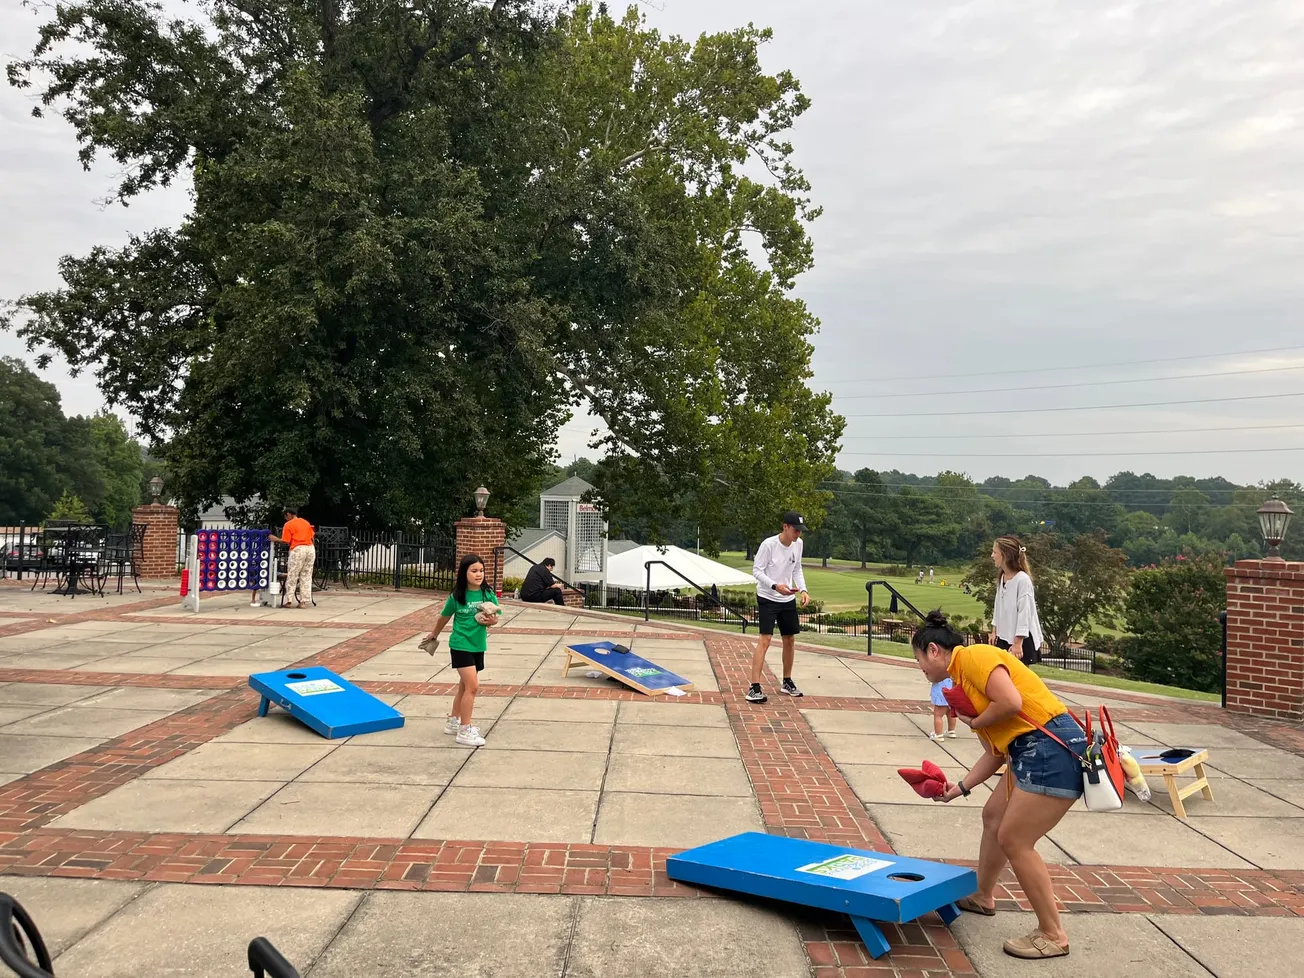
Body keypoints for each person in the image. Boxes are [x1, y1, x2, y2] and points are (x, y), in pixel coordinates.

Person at [911, 610, 1084, 961]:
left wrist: (975, 720)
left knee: (1015, 838)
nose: (922, 670)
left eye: (918, 661)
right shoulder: (965, 687)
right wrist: (957, 788)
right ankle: (983, 895)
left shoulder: (974, 656)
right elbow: (994, 754)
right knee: (993, 816)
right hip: (1028, 750)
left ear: (933, 650)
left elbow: (1011, 703)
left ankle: (1053, 933)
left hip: (1050, 747)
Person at [422, 554, 500, 746]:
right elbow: (444, 617)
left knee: (464, 686)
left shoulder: (487, 594)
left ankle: (453, 721)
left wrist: (492, 621)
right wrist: (434, 634)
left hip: (478, 645)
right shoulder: (457, 596)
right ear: (464, 573)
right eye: (474, 571)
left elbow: (495, 618)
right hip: (460, 645)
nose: (478, 574)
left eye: (481, 571)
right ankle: (465, 730)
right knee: (472, 686)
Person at [746, 511, 809, 703]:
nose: (798, 534)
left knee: (789, 639)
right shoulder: (769, 545)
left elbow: (797, 568)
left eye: (800, 531)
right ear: (785, 527)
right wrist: (775, 586)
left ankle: (787, 682)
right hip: (767, 596)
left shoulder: (798, 544)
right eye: (795, 530)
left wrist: (803, 590)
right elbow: (757, 570)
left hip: (787, 598)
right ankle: (754, 688)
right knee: (765, 639)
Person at [989, 536, 1044, 665]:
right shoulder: (1002, 577)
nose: (992, 556)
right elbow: (998, 606)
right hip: (1004, 637)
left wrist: (1018, 643)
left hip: (1021, 639)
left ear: (1005, 555)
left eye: (995, 552)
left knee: (1018, 681)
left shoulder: (1022, 580)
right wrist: (994, 631)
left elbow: (1024, 613)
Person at [269, 507, 315, 608]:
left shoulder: (288, 524)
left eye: (286, 517)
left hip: (298, 549)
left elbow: (286, 540)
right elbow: (312, 536)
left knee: (292, 575)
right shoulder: (305, 522)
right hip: (310, 548)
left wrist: (275, 539)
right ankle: (303, 601)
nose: (286, 519)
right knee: (306, 575)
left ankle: (289, 600)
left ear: (288, 514)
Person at [929, 675, 957, 741]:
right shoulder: (953, 669)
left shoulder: (940, 670)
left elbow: (932, 677)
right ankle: (951, 731)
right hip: (952, 693)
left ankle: (938, 734)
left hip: (941, 694)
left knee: (938, 715)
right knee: (951, 714)